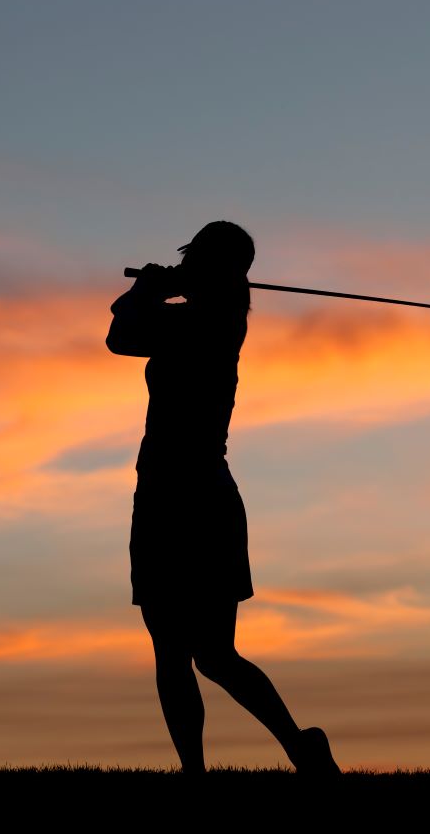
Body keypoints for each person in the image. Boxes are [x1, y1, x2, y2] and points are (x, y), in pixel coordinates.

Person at [106, 220, 342, 778]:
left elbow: (121, 335)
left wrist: (150, 288)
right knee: (185, 651)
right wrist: (159, 289)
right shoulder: (215, 313)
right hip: (188, 493)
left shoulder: (206, 322)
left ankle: (292, 746)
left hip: (184, 496)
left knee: (203, 653)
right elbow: (126, 324)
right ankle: (218, 768)